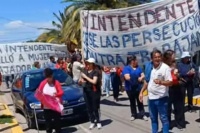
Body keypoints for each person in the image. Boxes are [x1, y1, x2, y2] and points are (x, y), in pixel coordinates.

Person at [139, 50, 173, 133]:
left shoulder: (165, 68)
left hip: (162, 98)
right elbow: (147, 81)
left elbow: (170, 82)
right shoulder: (149, 67)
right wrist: (141, 92)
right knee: (153, 118)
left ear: (161, 57)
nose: (157, 59)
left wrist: (161, 82)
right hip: (151, 99)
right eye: (155, 57)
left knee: (164, 118)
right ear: (152, 59)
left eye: (159, 57)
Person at [38, 68, 64, 133]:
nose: (49, 79)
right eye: (47, 77)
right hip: (47, 107)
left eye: (50, 77)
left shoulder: (56, 82)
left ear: (52, 75)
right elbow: (38, 94)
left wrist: (55, 95)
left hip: (55, 106)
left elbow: (61, 92)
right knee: (48, 124)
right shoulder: (42, 83)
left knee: (57, 123)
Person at [122, 55, 148, 121]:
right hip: (130, 88)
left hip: (138, 87)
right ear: (132, 61)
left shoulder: (138, 67)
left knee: (140, 100)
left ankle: (142, 114)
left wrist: (141, 78)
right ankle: (133, 114)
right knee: (132, 101)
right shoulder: (126, 68)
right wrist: (136, 78)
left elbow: (143, 75)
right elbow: (127, 77)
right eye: (136, 60)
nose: (137, 61)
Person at [79, 58, 102, 130]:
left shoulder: (96, 72)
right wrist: (80, 82)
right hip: (86, 91)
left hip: (94, 92)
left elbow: (94, 81)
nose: (88, 64)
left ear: (93, 64)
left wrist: (85, 77)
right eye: (87, 63)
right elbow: (80, 81)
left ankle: (98, 121)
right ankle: (92, 121)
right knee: (89, 108)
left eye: (89, 63)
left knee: (95, 107)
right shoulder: (85, 71)